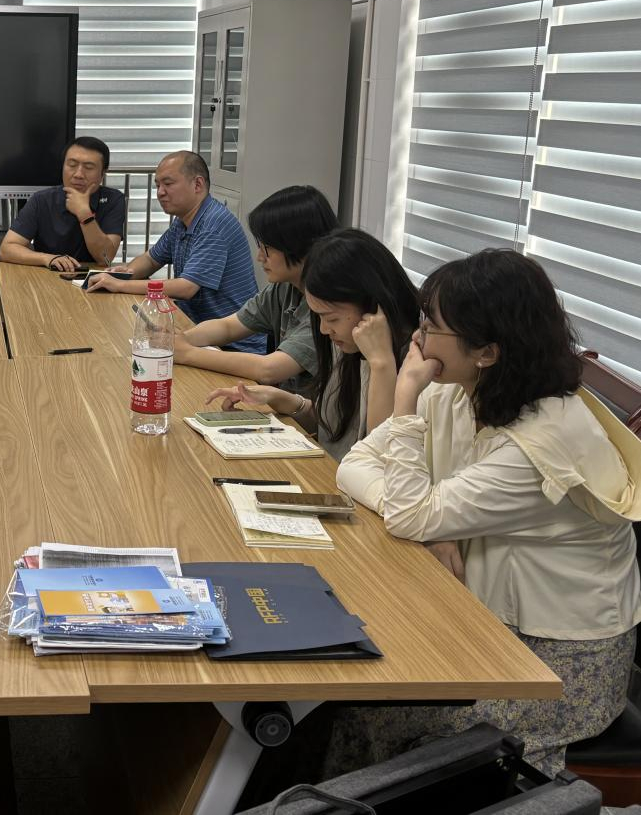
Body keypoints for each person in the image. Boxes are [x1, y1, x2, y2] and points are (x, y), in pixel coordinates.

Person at [330, 249, 641, 776]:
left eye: (431, 327)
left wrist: (405, 403)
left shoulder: (540, 443)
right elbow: (356, 465)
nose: (417, 339)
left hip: (561, 661)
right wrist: (435, 525)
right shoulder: (458, 392)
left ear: (488, 352)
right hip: (482, 620)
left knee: (383, 716)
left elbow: (409, 513)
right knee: (356, 688)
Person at [204, 228, 418, 460]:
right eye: (320, 317)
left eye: (332, 319)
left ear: (375, 308)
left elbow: (382, 459)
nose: (324, 329)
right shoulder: (347, 342)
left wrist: (381, 364)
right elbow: (333, 429)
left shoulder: (416, 366)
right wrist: (278, 398)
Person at [85, 151, 263, 342]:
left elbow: (186, 288)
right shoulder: (183, 221)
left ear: (197, 184)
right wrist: (127, 272)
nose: (160, 192)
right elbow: (151, 259)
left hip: (231, 343)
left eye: (168, 184)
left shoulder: (214, 224)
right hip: (195, 327)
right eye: (157, 185)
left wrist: (120, 285)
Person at [170, 184, 337, 386]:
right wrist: (182, 340)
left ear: (297, 245)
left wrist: (187, 353)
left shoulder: (329, 304)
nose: (260, 257)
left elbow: (270, 370)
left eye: (267, 248)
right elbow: (229, 326)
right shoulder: (285, 287)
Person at [0, 135, 125, 271]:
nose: (78, 174)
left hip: (93, 278)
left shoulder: (113, 199)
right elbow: (6, 249)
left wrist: (84, 213)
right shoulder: (42, 200)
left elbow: (105, 258)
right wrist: (48, 258)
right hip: (47, 275)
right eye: (72, 165)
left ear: (103, 173)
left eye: (88, 167)